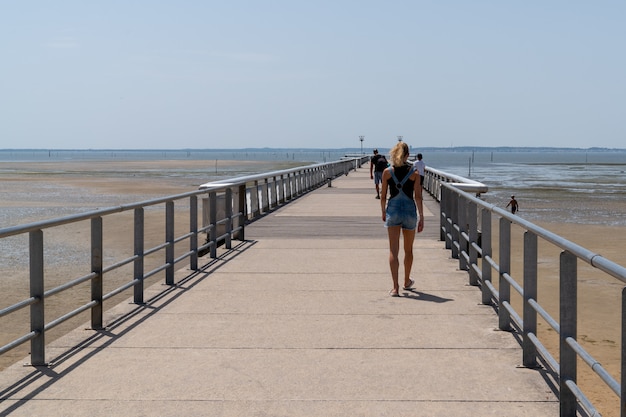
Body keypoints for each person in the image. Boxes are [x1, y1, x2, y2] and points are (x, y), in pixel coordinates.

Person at [380, 142, 424, 297]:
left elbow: (383, 196)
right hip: (410, 211)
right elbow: (418, 197)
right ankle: (406, 281)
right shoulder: (414, 173)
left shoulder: (386, 172)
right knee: (408, 250)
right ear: (407, 156)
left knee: (393, 250)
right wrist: (422, 217)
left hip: (393, 209)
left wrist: (383, 212)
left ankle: (395, 288)